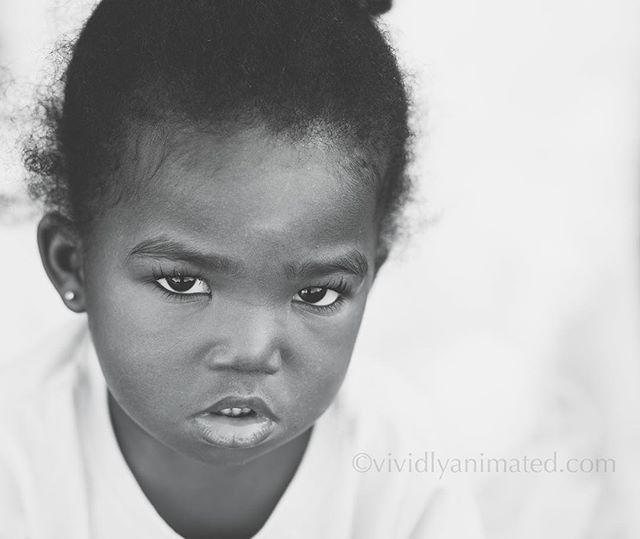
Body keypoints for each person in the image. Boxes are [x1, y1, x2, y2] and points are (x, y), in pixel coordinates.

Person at [0, 0, 484, 537]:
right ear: (72, 263)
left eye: (318, 294)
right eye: (183, 283)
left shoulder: (403, 474)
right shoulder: (17, 463)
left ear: (372, 275)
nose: (253, 351)